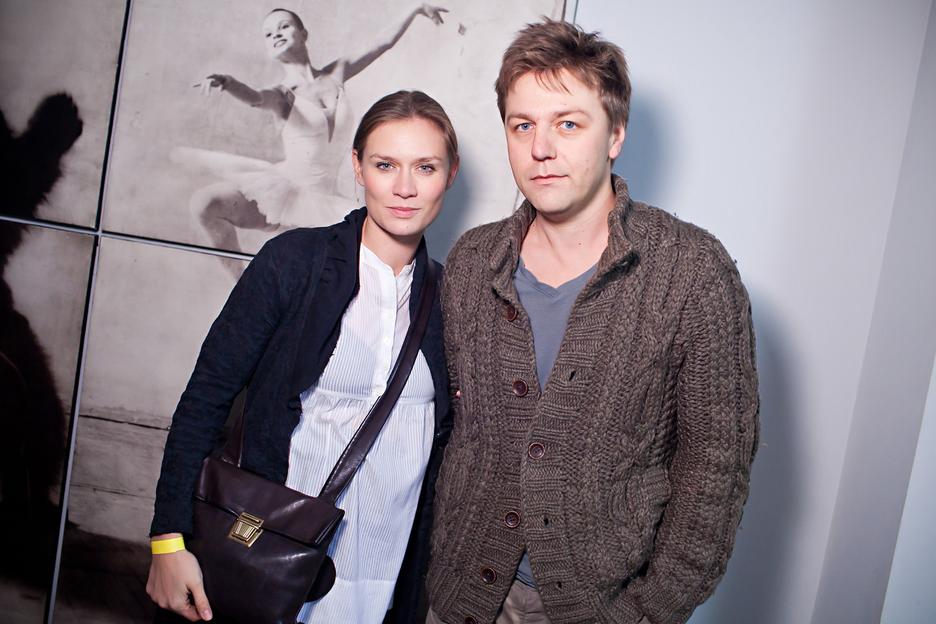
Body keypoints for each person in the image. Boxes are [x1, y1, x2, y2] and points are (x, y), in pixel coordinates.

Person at [425, 20, 759, 624]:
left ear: (615, 135)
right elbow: (447, 431)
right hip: (459, 595)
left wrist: (651, 610)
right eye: (522, 125)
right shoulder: (473, 262)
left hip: (597, 606)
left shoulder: (692, 272)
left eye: (568, 124)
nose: (541, 149)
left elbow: (715, 465)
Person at [146, 89, 459, 623]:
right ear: (357, 167)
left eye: (425, 167)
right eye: (385, 165)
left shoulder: (452, 299)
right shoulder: (294, 262)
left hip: (382, 575)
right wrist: (168, 539)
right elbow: (206, 397)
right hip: (267, 556)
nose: (405, 187)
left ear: (449, 175)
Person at [171, 5, 448, 276]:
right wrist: (228, 83)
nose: (276, 34)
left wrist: (415, 8)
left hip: (326, 203)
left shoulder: (337, 73)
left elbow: (381, 44)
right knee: (204, 203)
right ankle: (240, 280)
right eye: (268, 34)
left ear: (303, 34)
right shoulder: (282, 95)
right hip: (284, 194)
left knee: (375, 259)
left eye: (284, 26)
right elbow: (255, 98)